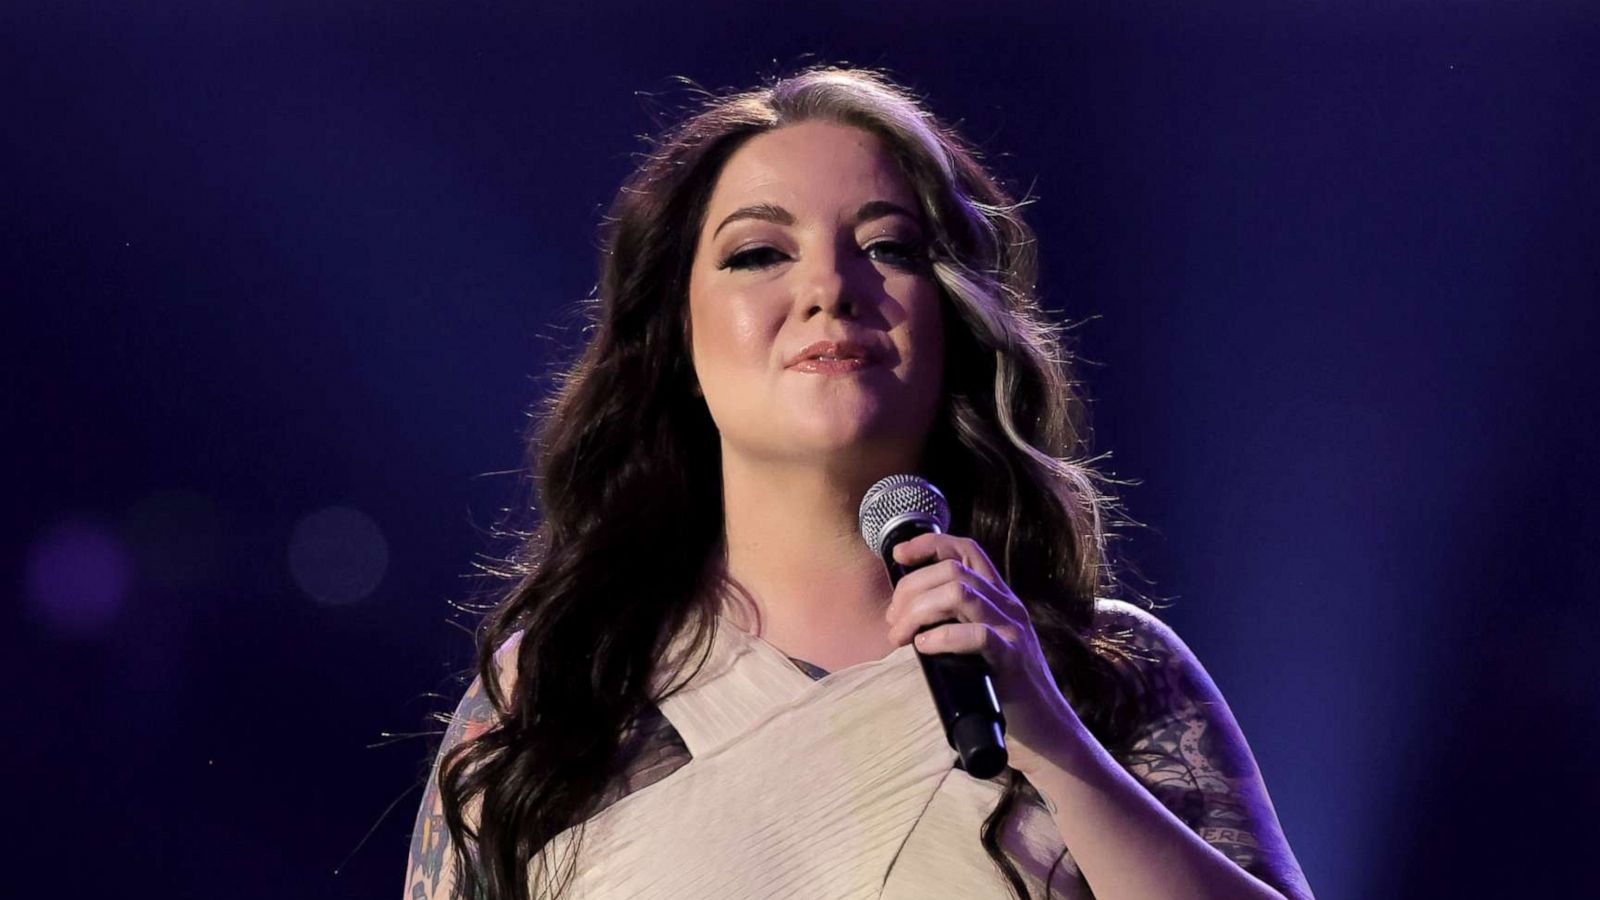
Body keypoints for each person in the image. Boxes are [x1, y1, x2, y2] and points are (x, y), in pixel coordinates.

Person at [405, 65, 1314, 900]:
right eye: (759, 253)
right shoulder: (558, 686)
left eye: (888, 248)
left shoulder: (1111, 675)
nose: (830, 289)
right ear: (676, 335)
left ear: (956, 320)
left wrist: (1052, 738)